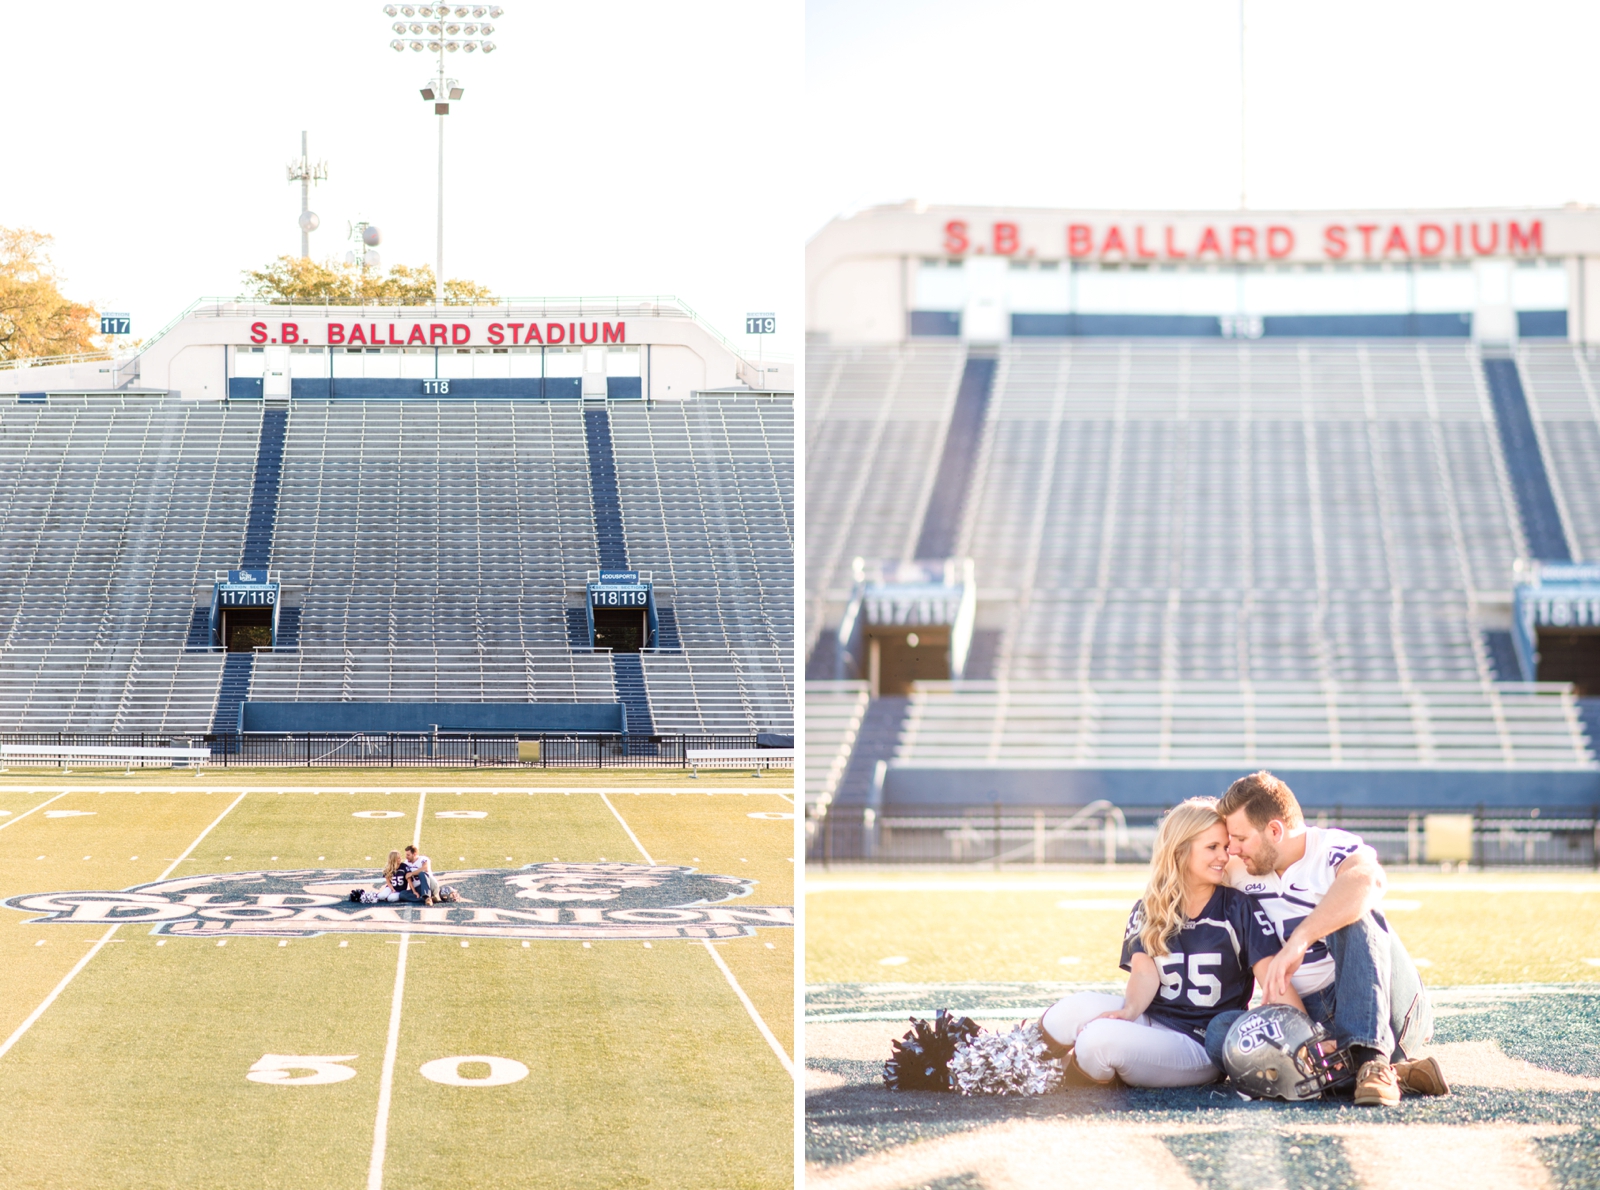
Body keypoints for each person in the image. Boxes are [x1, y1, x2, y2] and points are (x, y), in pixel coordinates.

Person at [1212, 771, 1448, 1106]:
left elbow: (1369, 880)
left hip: (1378, 1002)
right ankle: (1389, 1072)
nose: (1231, 848)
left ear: (1275, 831)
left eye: (1240, 838)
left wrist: (1301, 938)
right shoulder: (1240, 869)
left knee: (1353, 910)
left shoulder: (1328, 847)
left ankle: (1373, 1060)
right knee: (1223, 1033)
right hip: (1308, 1018)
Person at [1037, 798, 1291, 1088]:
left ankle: (1062, 1090)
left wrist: (1306, 1037)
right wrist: (1130, 1011)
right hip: (1152, 1019)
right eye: (1212, 847)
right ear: (1180, 850)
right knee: (1072, 1009)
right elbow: (1145, 973)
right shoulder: (1151, 907)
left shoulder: (1238, 908)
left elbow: (1274, 981)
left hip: (1199, 1043)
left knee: (1097, 1041)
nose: (1224, 856)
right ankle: (1007, 1059)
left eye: (1225, 847)